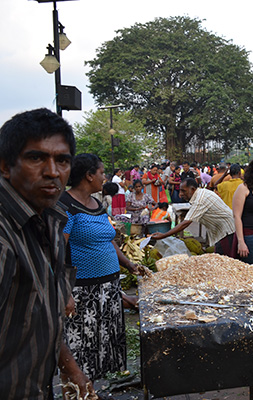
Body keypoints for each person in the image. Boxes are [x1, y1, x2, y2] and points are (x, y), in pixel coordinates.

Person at [0, 108, 94, 398]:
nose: (53, 172)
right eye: (36, 158)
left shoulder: (50, 219)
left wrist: (74, 373)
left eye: (62, 160)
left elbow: (41, 315)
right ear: (5, 166)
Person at [60, 153, 146, 384]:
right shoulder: (66, 205)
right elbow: (56, 249)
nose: (105, 177)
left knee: (101, 346)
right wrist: (64, 291)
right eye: (101, 172)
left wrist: (129, 264)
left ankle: (91, 391)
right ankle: (75, 394)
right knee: (80, 349)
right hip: (81, 291)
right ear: (88, 176)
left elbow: (107, 240)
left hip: (108, 288)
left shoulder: (97, 204)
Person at [151, 178, 237, 256]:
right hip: (223, 231)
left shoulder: (200, 199)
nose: (180, 194)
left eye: (183, 191)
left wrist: (164, 235)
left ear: (192, 189)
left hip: (228, 231)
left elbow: (186, 223)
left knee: (225, 260)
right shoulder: (200, 194)